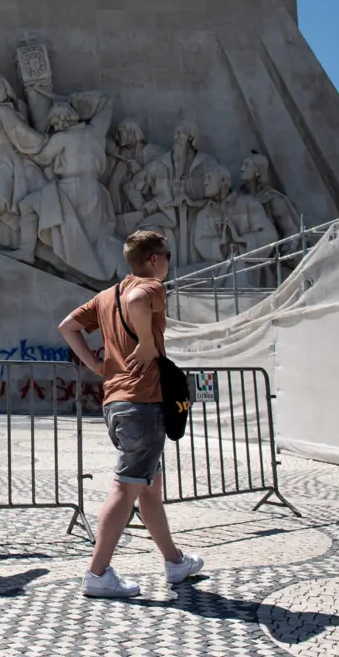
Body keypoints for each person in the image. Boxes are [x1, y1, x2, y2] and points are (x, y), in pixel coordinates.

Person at [57, 230, 204, 597]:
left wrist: (94, 364)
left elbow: (68, 327)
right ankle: (97, 573)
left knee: (149, 488)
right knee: (125, 488)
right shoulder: (150, 287)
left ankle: (175, 562)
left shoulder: (106, 296)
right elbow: (138, 301)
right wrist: (147, 342)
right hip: (143, 401)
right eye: (167, 255)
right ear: (153, 259)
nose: (168, 261)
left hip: (116, 400)